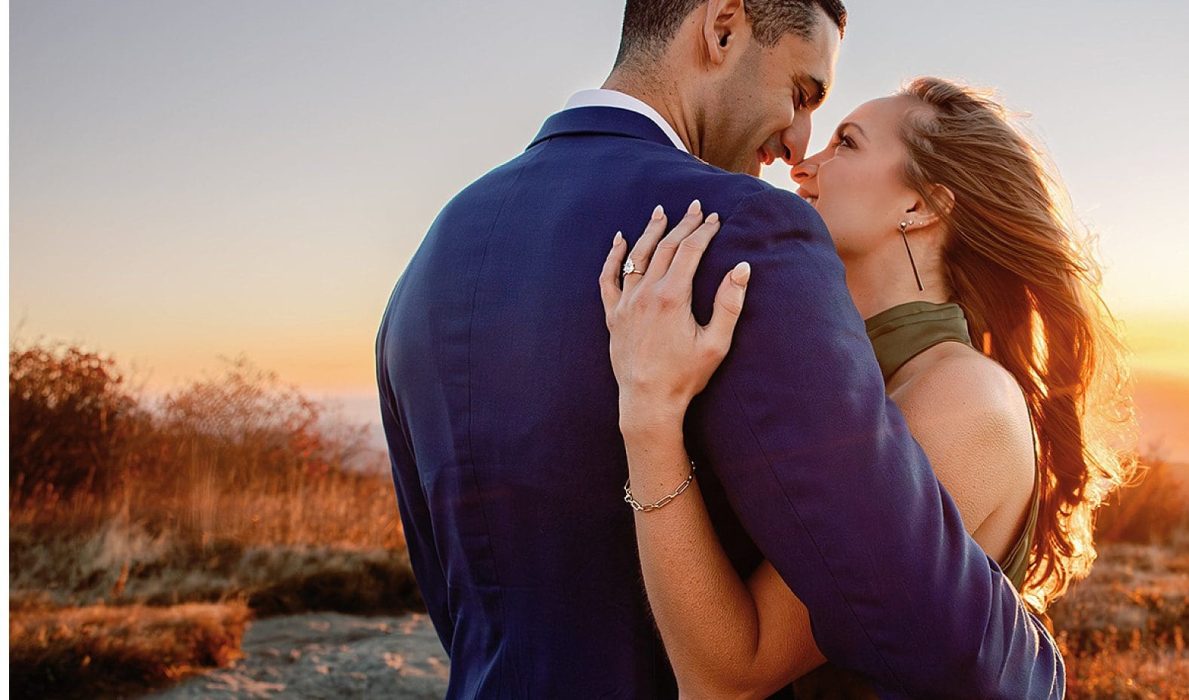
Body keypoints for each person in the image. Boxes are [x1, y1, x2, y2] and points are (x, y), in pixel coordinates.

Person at [375, 1, 1067, 696]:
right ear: (724, 27)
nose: (802, 151)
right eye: (802, 94)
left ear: (922, 206)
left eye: (844, 141)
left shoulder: (431, 260)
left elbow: (457, 595)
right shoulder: (734, 232)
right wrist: (1037, 671)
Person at [599, 77, 1139, 698]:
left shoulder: (964, 399)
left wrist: (650, 416)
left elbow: (727, 678)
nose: (802, 166)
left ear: (920, 206)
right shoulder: (853, 377)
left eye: (845, 144)